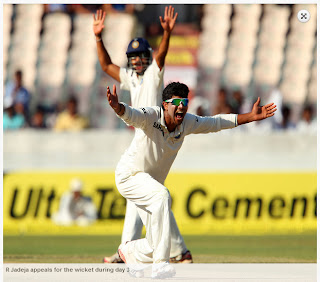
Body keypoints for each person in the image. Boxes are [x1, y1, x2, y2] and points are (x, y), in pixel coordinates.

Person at [106, 82, 277, 278]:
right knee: (162, 195)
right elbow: (132, 114)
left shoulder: (187, 122)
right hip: (130, 176)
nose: (182, 106)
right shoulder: (152, 115)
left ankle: (129, 251)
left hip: (149, 184)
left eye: (185, 102)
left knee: (154, 243)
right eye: (176, 102)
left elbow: (216, 122)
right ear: (164, 105)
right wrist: (117, 107)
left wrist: (250, 117)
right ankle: (161, 264)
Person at [93, 7, 192, 264]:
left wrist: (167, 33)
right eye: (133, 57)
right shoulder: (130, 77)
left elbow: (162, 55)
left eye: (141, 56)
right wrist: (97, 38)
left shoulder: (152, 74)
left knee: (147, 193)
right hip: (141, 135)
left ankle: (137, 250)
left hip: (154, 132)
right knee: (145, 194)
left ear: (148, 57)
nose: (137, 60)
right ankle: (172, 251)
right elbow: (105, 64)